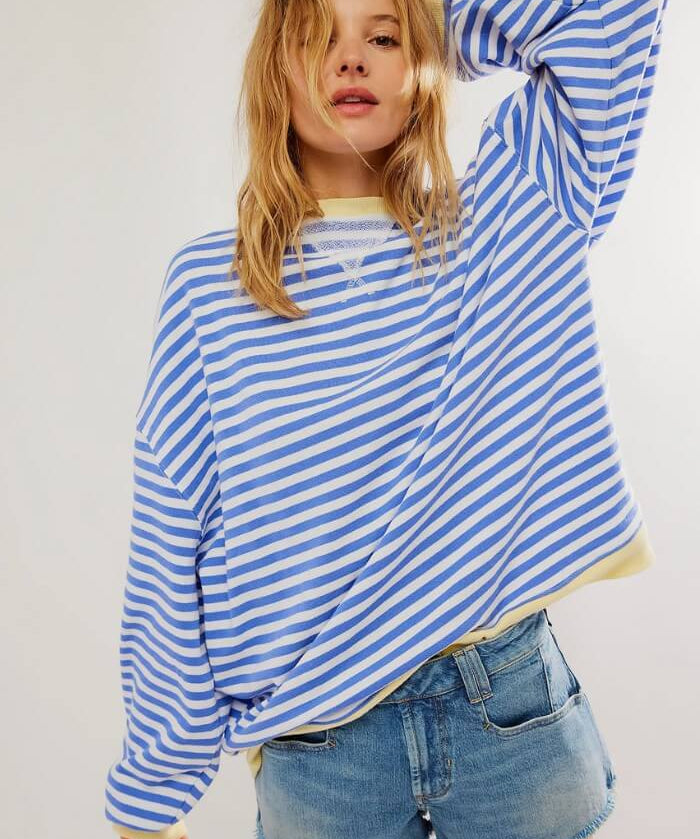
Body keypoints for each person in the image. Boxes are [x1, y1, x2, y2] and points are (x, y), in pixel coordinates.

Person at [104, 0, 668, 837]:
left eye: (380, 37)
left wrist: (432, 22)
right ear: (273, 72)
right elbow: (171, 540)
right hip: (319, 746)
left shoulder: (511, 216)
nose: (351, 60)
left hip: (508, 710)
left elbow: (612, 16)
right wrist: (154, 788)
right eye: (316, 38)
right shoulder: (211, 290)